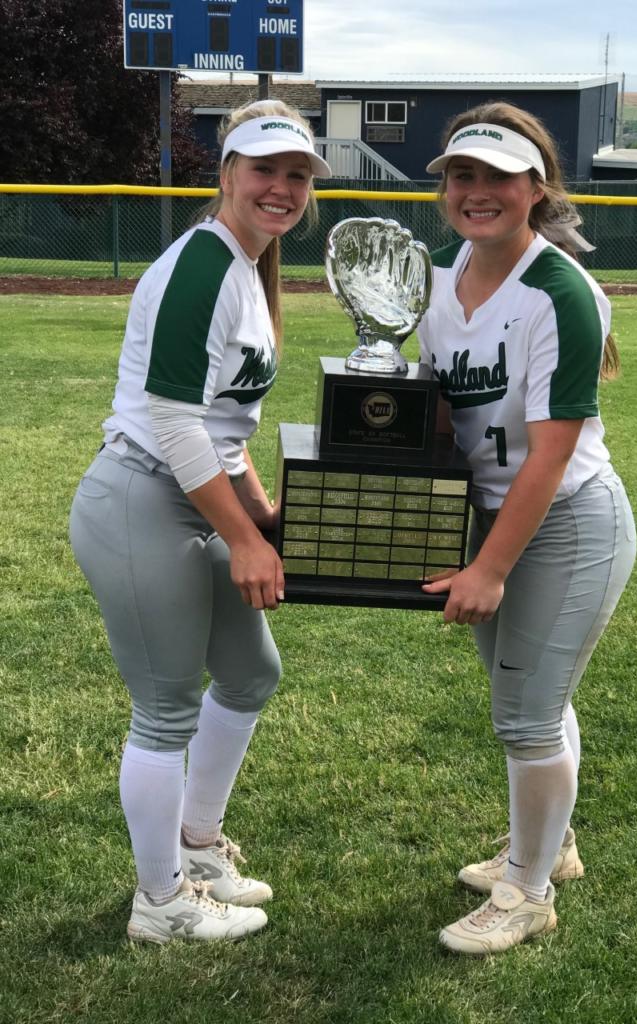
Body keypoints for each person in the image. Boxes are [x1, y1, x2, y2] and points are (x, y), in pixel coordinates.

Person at [69, 100, 331, 944]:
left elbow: (226, 428)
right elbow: (176, 423)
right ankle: (162, 901)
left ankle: (199, 846)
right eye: (265, 170)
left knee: (251, 673)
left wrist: (263, 516)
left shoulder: (249, 269)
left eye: (298, 175)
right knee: (165, 709)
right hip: (143, 495)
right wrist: (247, 539)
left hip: (189, 495)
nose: (282, 188)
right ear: (227, 175)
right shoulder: (206, 265)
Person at [417, 102, 636, 955]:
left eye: (498, 177)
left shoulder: (560, 290)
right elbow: (431, 409)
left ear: (535, 189)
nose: (477, 193)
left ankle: (530, 891)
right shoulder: (432, 274)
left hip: (565, 521)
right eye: (461, 176)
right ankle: (553, 843)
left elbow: (551, 454)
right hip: (488, 514)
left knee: (526, 715)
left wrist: (490, 568)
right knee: (537, 704)